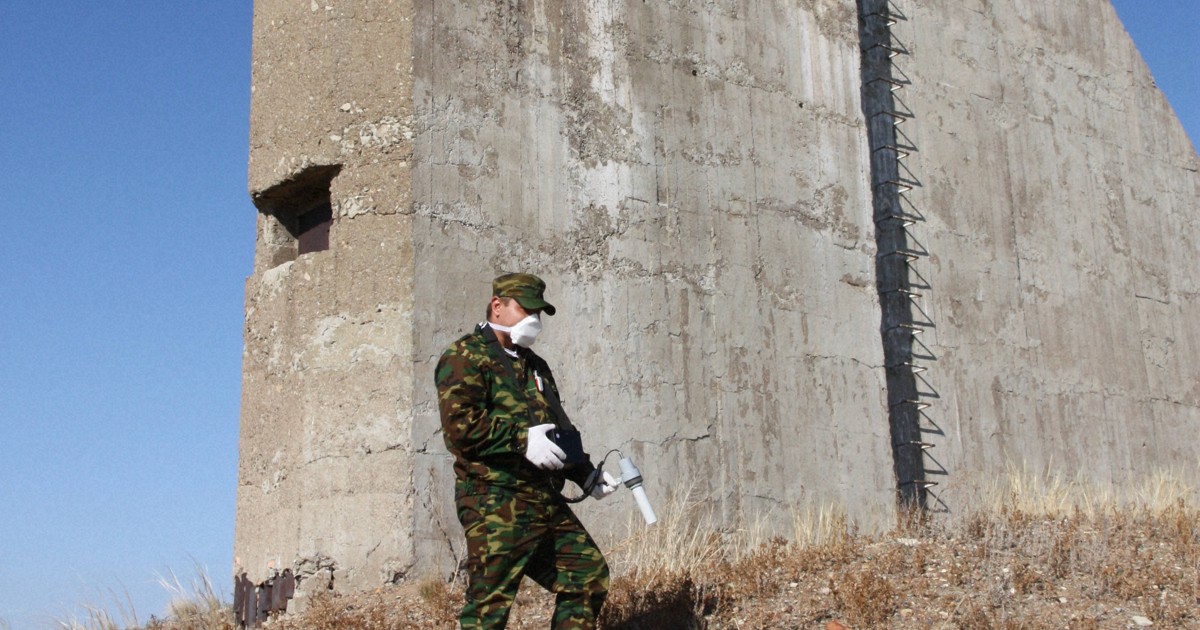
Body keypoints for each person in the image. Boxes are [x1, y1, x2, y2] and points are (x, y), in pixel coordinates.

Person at [435, 272, 619, 629]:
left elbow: (556, 432)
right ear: (497, 306)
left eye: (539, 314)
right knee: (489, 611)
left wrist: (584, 474)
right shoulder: (465, 356)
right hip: (495, 501)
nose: (534, 321)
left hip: (542, 499)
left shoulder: (536, 367)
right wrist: (521, 438)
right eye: (527, 310)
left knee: (588, 576)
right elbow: (460, 430)